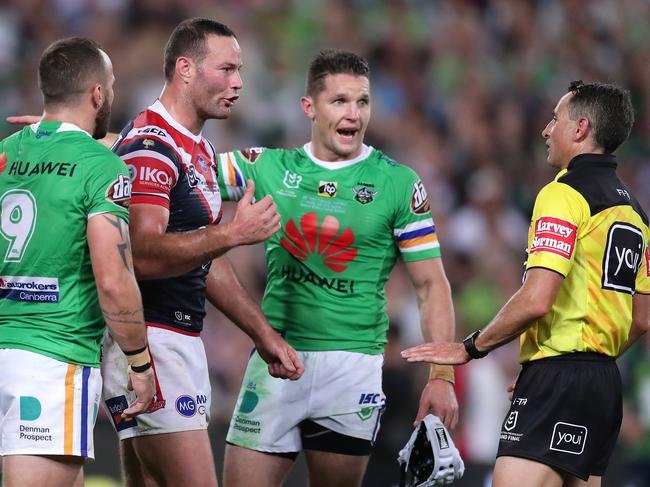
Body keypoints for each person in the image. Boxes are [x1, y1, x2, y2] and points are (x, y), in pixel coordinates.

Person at [216, 49, 458, 487]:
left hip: (352, 370)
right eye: (340, 101)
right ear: (309, 106)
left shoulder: (399, 184)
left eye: (362, 102)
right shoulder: (267, 167)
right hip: (276, 359)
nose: (354, 114)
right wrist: (78, 134)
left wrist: (441, 375)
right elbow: (179, 168)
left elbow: (430, 285)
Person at [402, 80, 650, 487]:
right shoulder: (636, 211)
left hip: (560, 379)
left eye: (555, 119)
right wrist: (572, 359)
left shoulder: (565, 194)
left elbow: (537, 298)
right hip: (604, 384)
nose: (546, 130)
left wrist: (471, 347)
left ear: (581, 129)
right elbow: (641, 320)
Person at [99, 18, 305, 487]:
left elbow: (203, 258)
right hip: (151, 343)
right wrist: (231, 234)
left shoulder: (201, 151)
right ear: (186, 69)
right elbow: (143, 255)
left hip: (176, 342)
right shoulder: (151, 146)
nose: (238, 83)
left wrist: (263, 334)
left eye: (240, 70)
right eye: (226, 69)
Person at [0, 37, 154, 487]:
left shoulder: (7, 153)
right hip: (52, 358)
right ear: (98, 94)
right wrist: (139, 364)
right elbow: (113, 280)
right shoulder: (100, 168)